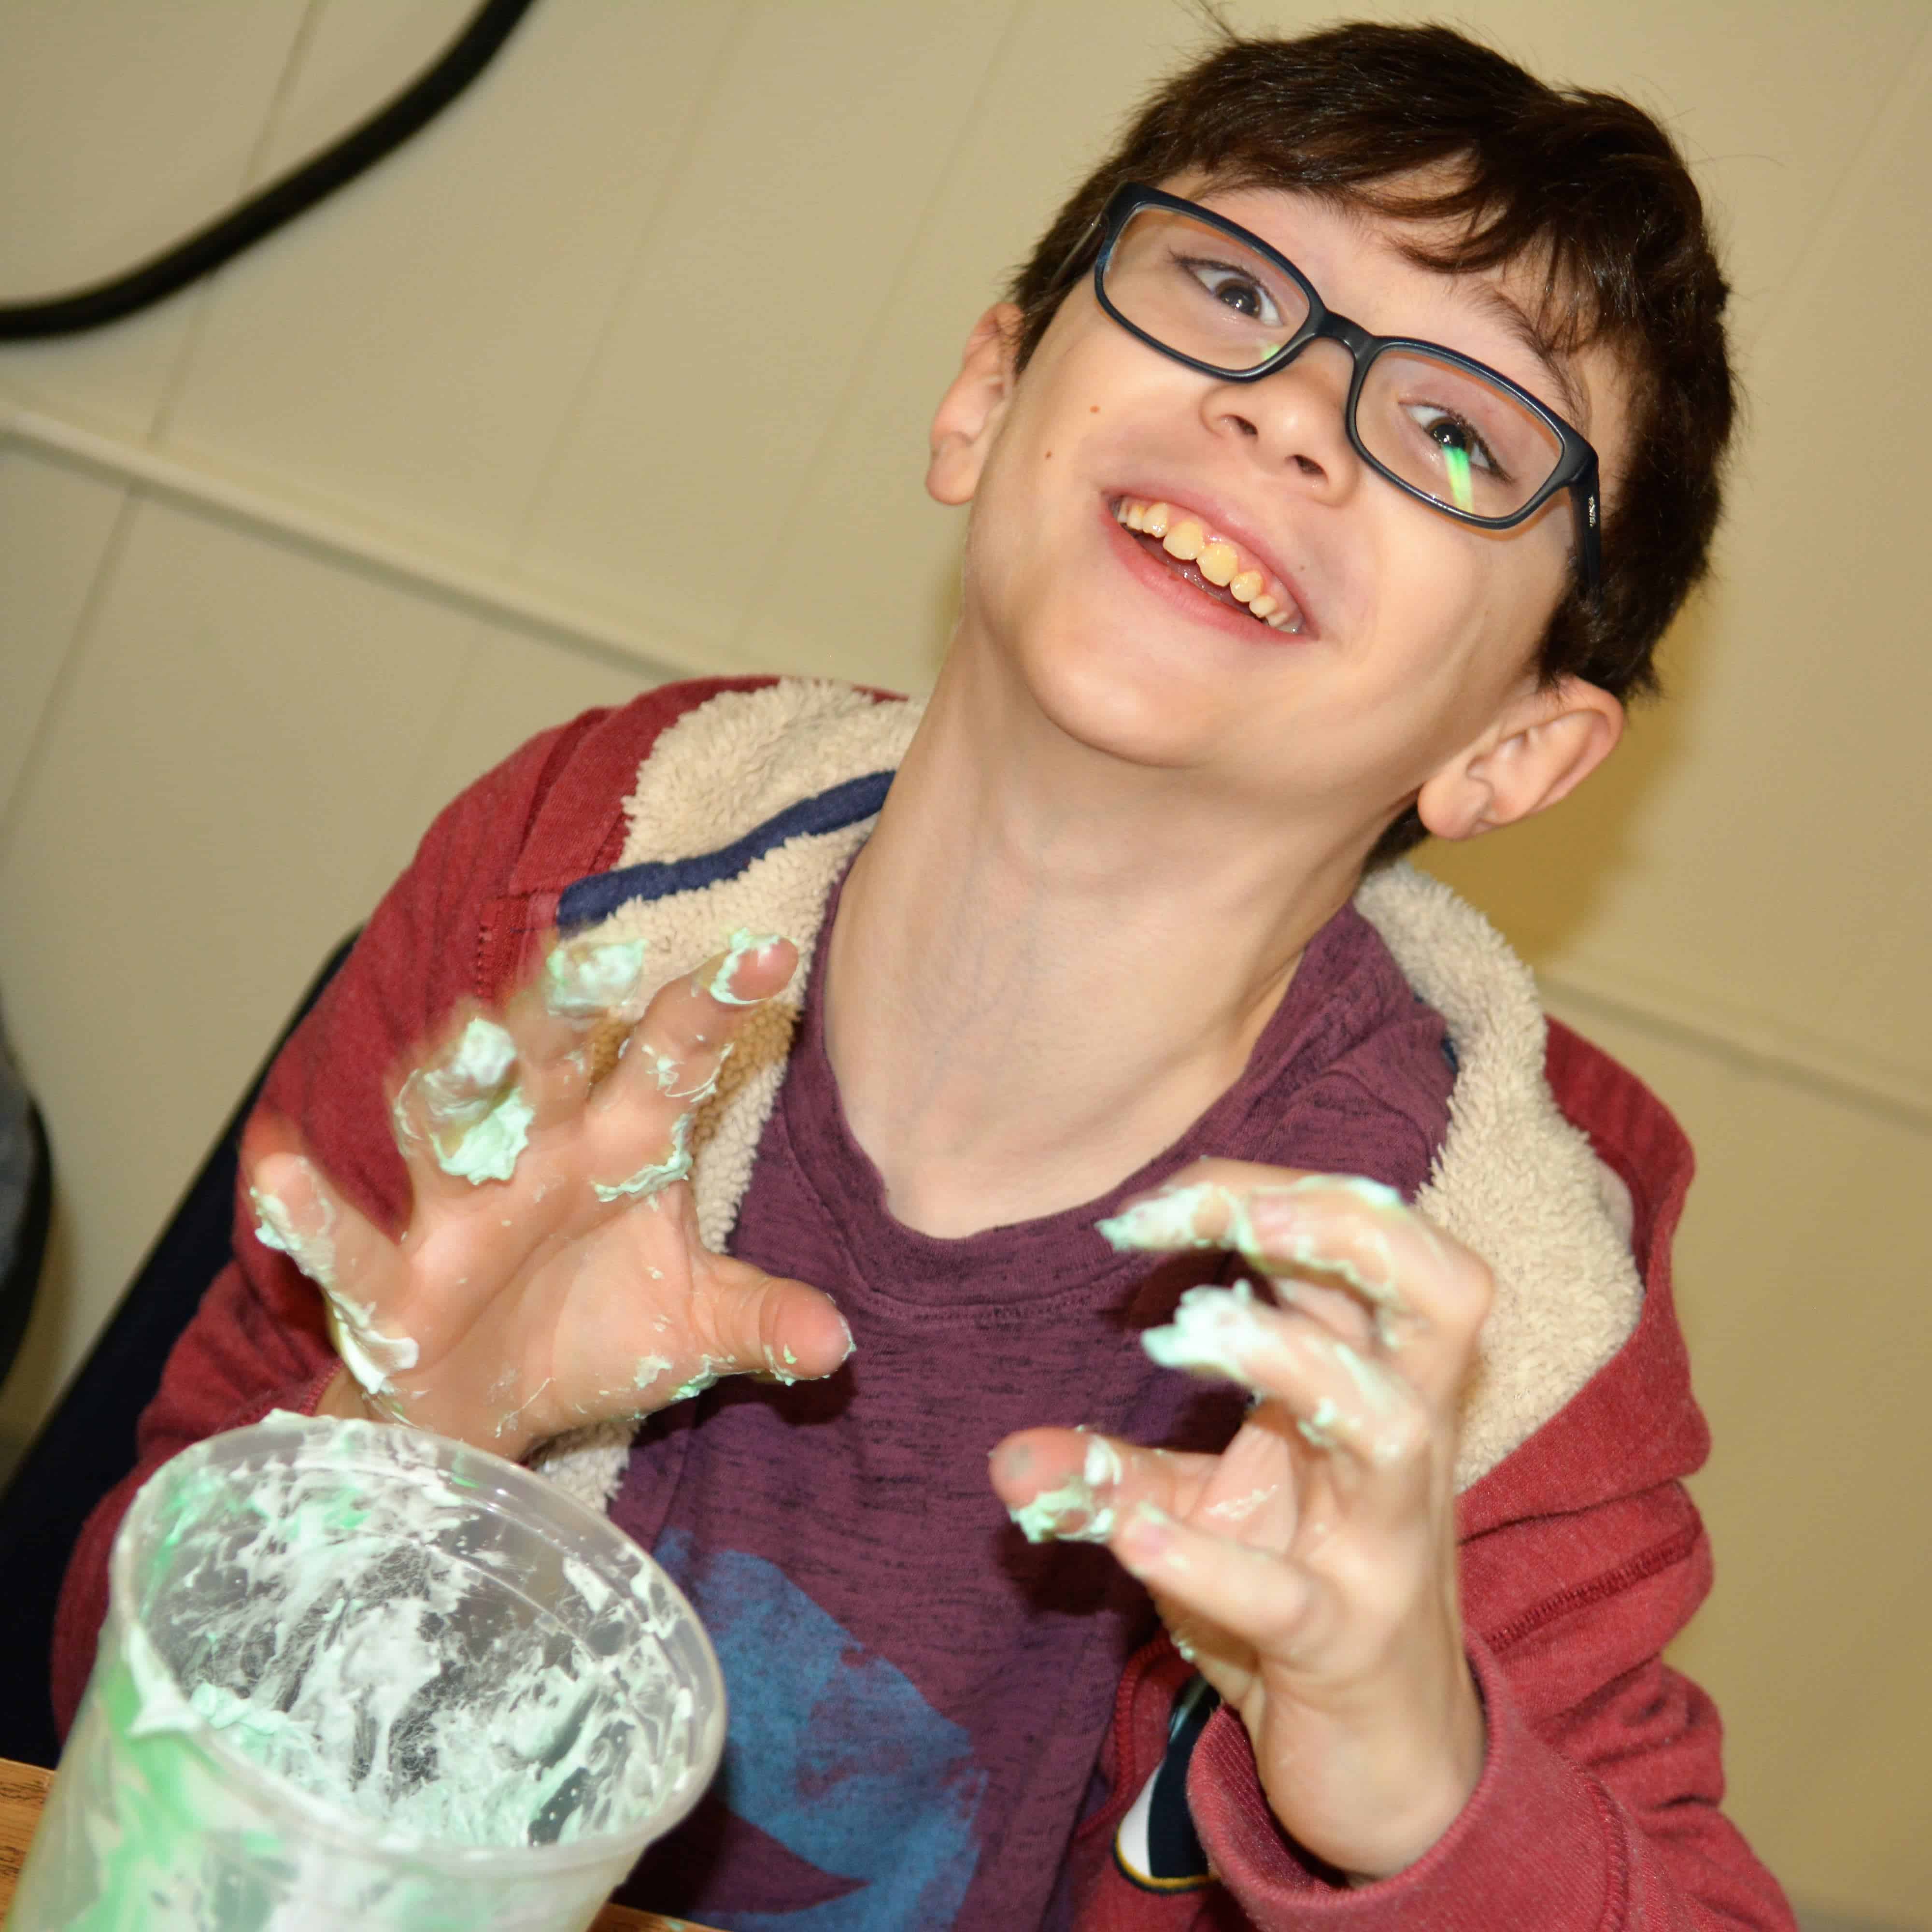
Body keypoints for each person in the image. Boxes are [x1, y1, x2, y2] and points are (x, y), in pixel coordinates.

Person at [53, 21, 1794, 1930]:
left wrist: (1408, 1781)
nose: (1297, 409)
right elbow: (93, 1720)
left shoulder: (1482, 1319)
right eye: (1231, 289)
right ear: (986, 394)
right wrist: (392, 1475)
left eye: (1462, 433)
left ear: (1514, 754)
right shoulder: (573, 882)